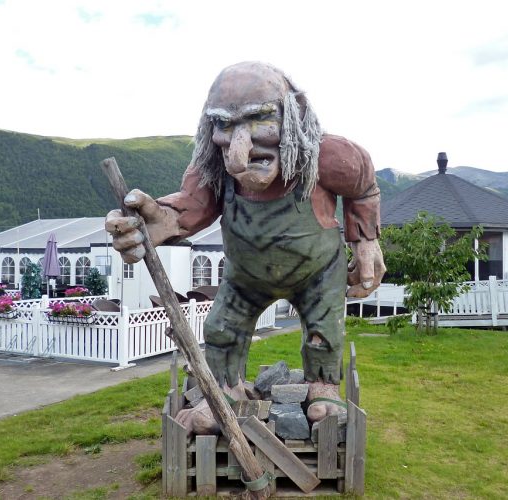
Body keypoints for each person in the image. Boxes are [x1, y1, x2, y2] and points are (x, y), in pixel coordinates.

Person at [106, 61, 385, 434]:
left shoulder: (329, 156)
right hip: (245, 278)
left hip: (318, 272)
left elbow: (363, 186)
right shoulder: (213, 168)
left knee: (324, 333)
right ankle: (224, 392)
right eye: (223, 124)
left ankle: (323, 387)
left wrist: (365, 242)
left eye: (259, 118)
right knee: (222, 330)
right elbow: (192, 206)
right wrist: (159, 220)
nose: (240, 148)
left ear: (294, 112)